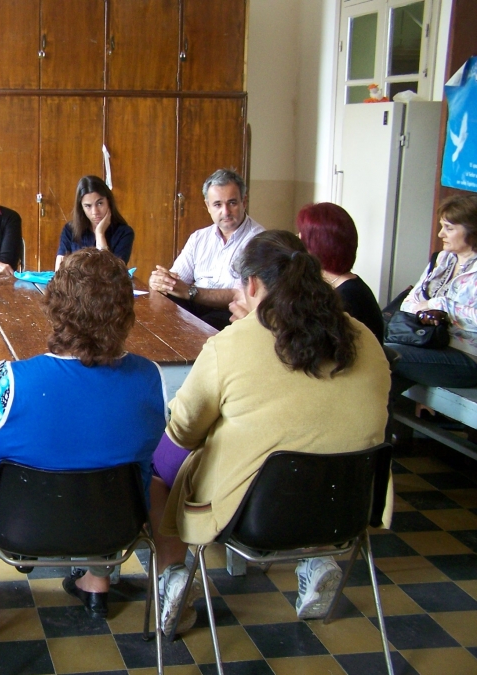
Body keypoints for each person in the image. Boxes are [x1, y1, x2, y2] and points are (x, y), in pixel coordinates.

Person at [151, 230, 390, 636]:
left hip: (253, 513)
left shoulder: (233, 344)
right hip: (350, 507)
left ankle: (174, 576)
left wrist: (245, 334)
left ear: (253, 285)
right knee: (313, 447)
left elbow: (184, 431)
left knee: (156, 470)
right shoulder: (363, 337)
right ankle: (317, 560)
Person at [0, 248, 168, 619]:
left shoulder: (6, 379)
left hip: (17, 525)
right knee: (133, 475)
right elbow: (148, 445)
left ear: (55, 305)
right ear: (125, 312)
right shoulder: (150, 378)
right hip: (115, 526)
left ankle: (40, 559)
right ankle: (97, 580)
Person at [148, 168, 264, 330]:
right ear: (208, 206)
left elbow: (240, 295)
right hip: (195, 305)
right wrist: (163, 281)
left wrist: (190, 292)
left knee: (197, 327)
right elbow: (178, 280)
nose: (226, 212)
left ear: (244, 202)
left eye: (232, 203)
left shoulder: (259, 241)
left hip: (230, 313)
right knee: (157, 308)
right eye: (217, 204)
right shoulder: (199, 238)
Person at [391, 195, 477, 394]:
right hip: (428, 343)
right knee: (380, 378)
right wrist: (424, 312)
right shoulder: (443, 259)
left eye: (449, 228)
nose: (440, 234)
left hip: (467, 355)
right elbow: (409, 302)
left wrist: (440, 305)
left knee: (383, 356)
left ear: (472, 230)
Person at [295, 203, 384, 342]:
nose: (298, 239)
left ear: (318, 246)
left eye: (303, 236)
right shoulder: (343, 287)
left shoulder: (347, 298)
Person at [55, 175, 133, 270]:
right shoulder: (70, 230)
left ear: (108, 201)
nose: (95, 212)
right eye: (88, 206)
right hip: (74, 285)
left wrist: (100, 234)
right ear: (81, 208)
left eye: (100, 203)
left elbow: (110, 274)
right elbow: (59, 271)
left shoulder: (124, 233)